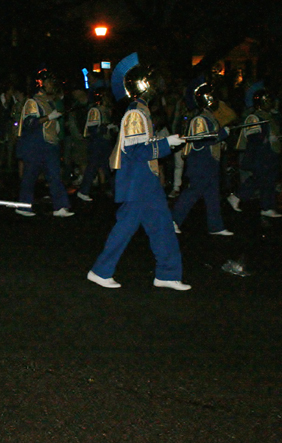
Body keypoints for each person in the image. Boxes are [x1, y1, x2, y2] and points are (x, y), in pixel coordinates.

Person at [86, 54, 191, 291]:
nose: (158, 85)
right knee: (127, 229)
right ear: (143, 85)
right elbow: (135, 150)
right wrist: (167, 143)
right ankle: (100, 271)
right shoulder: (136, 112)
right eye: (152, 81)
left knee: (162, 225)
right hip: (137, 180)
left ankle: (168, 274)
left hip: (144, 179)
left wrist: (166, 143)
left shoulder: (141, 109)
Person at [171, 82, 233, 235]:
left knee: (212, 196)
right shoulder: (199, 119)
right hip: (200, 162)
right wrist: (221, 136)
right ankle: (172, 220)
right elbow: (199, 141)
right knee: (193, 193)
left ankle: (216, 226)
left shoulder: (209, 117)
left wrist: (221, 142)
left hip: (210, 162)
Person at [15, 70, 74, 217]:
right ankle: (23, 206)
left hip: (50, 144)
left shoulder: (49, 102)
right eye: (47, 82)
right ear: (40, 84)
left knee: (55, 176)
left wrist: (55, 123)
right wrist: (49, 117)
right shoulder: (32, 102)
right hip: (36, 145)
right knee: (30, 176)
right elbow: (29, 122)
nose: (51, 85)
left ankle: (60, 207)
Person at [227, 87, 282, 218]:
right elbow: (252, 136)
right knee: (259, 178)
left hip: (270, 152)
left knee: (269, 180)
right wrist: (265, 138)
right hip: (260, 153)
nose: (271, 103)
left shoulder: (270, 116)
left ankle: (266, 206)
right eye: (268, 101)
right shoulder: (254, 116)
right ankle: (236, 196)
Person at [77, 88, 117, 202]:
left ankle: (116, 191)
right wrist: (106, 128)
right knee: (93, 167)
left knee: (108, 167)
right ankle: (83, 191)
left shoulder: (106, 110)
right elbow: (92, 129)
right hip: (97, 143)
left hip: (105, 143)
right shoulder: (95, 111)